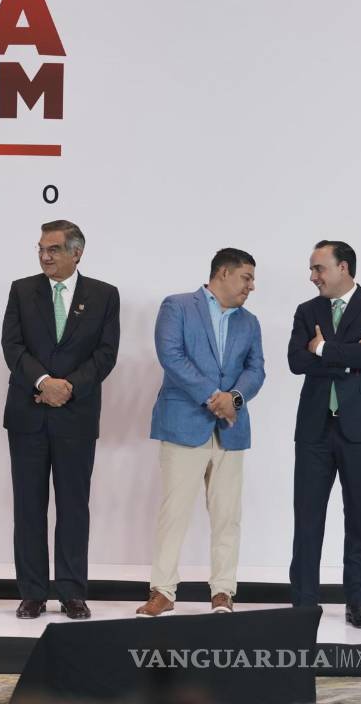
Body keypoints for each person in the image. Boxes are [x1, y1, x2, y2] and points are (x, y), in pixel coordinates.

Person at [136, 249, 265, 618]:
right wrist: (214, 398)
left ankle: (223, 592)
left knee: (228, 515)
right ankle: (162, 591)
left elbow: (256, 369)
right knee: (174, 511)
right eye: (246, 278)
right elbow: (171, 356)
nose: (251, 286)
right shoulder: (177, 306)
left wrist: (234, 399)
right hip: (183, 423)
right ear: (223, 273)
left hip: (231, 430)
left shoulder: (249, 322)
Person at [1, 219, 119, 620]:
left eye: (52, 249)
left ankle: (72, 592)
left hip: (76, 415)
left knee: (73, 507)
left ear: (76, 252)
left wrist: (68, 386)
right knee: (28, 507)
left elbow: (106, 354)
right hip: (28, 414)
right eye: (40, 249)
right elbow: (11, 346)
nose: (44, 256)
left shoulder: (104, 296)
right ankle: (32, 591)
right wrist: (43, 381)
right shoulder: (21, 290)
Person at [288, 240, 361, 629]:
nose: (313, 277)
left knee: (360, 518)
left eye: (319, 269)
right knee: (307, 518)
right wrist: (343, 354)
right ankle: (303, 604)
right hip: (315, 429)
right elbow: (297, 361)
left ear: (343, 267)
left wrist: (324, 348)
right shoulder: (307, 310)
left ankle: (358, 603)